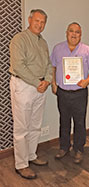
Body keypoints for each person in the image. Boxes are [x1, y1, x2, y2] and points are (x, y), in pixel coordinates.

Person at [9, 9, 52, 179]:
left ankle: (31, 155)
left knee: (35, 125)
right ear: (29, 19)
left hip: (40, 86)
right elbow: (19, 66)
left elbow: (49, 65)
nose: (40, 24)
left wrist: (47, 81)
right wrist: (37, 83)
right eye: (37, 21)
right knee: (22, 128)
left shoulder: (43, 42)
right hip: (24, 86)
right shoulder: (19, 39)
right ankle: (21, 164)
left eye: (43, 22)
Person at [51, 22, 89, 164]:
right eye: (71, 31)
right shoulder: (58, 49)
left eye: (77, 32)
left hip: (79, 93)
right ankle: (64, 147)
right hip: (63, 93)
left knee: (79, 122)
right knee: (64, 121)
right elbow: (52, 67)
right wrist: (53, 83)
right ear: (66, 32)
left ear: (80, 34)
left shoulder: (87, 50)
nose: (74, 34)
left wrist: (86, 81)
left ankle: (79, 149)